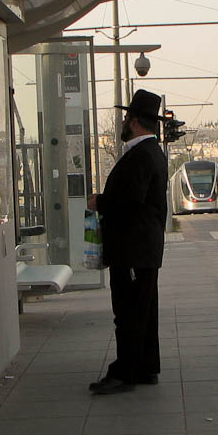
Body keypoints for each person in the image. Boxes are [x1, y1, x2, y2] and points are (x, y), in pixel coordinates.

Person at [87, 90, 168, 394]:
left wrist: (100, 201)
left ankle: (125, 372)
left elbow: (131, 199)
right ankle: (147, 366)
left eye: (125, 118)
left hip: (132, 248)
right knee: (144, 310)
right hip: (143, 247)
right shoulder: (151, 152)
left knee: (129, 311)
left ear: (134, 122)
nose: (122, 122)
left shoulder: (141, 155)